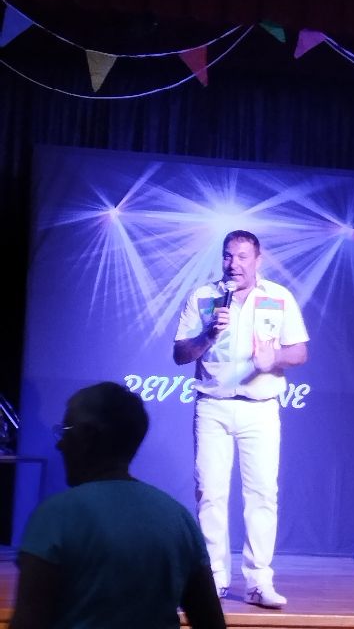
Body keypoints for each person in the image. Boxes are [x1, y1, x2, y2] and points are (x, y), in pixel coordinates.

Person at [9, 381, 226, 629]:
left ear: (88, 436)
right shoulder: (178, 518)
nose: (60, 444)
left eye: (66, 430)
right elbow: (211, 622)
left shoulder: (54, 517)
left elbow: (28, 622)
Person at [173, 229, 309, 609]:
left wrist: (274, 358)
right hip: (212, 406)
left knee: (262, 494)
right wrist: (207, 334)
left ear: (257, 260)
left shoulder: (278, 297)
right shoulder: (203, 297)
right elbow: (180, 354)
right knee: (210, 493)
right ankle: (213, 579)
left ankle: (259, 582)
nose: (234, 264)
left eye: (242, 257)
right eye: (228, 256)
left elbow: (299, 351)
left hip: (260, 407)